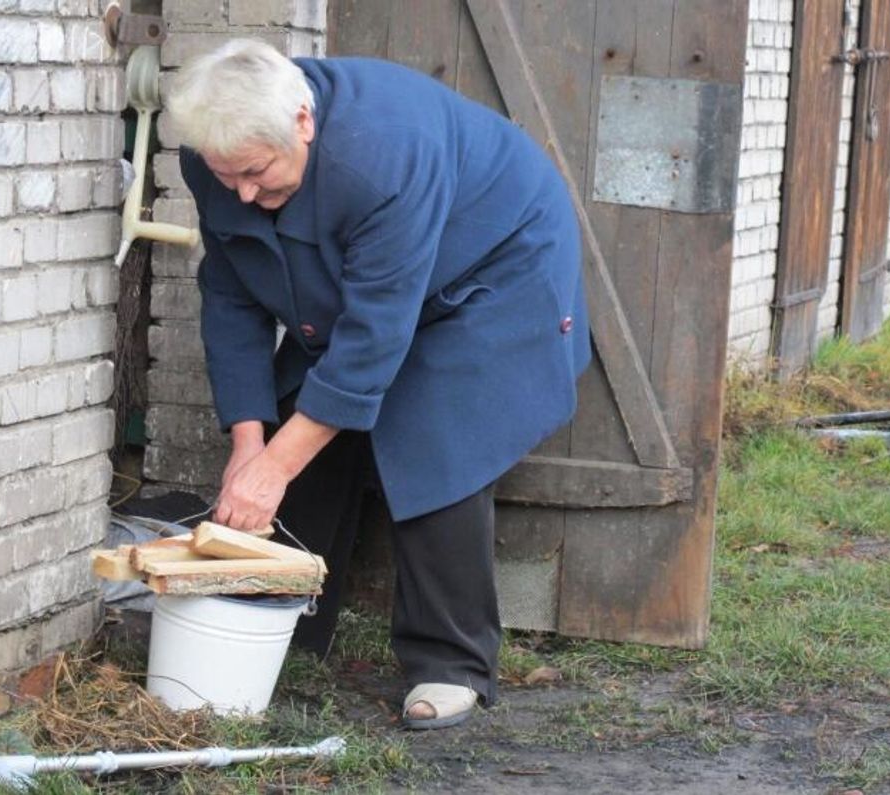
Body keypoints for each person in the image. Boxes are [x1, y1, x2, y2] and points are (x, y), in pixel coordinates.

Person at [167, 39, 590, 730]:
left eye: (256, 172)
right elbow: (232, 296)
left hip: (489, 269)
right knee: (287, 424)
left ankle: (451, 662)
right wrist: (249, 444)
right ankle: (282, 622)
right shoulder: (217, 157)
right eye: (226, 175)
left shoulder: (383, 154)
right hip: (379, 279)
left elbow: (371, 341)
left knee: (438, 439)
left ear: (303, 123)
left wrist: (274, 467)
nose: (240, 193)